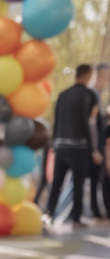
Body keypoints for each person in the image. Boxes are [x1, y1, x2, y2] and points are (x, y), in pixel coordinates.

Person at [43, 64, 102, 230]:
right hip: (80, 147)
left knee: (56, 183)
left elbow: (56, 121)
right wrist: (94, 150)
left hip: (61, 146)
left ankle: (49, 214)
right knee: (78, 184)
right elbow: (91, 124)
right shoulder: (90, 95)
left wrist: (54, 144)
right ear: (88, 75)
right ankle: (76, 218)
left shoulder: (62, 95)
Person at [88, 63, 109, 219]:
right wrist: (95, 149)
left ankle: (96, 209)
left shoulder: (97, 94)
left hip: (97, 144)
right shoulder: (93, 94)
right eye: (107, 77)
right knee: (98, 178)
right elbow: (92, 124)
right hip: (95, 146)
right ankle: (96, 210)